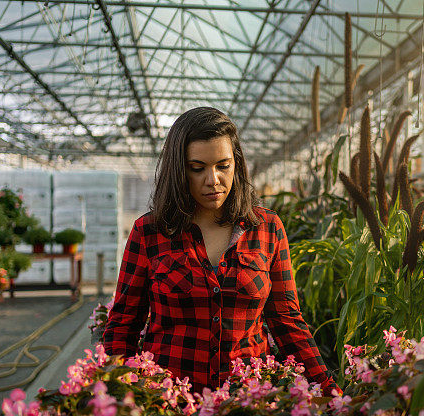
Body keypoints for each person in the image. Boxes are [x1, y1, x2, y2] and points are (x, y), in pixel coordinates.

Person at [102, 107, 338, 394]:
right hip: (169, 402)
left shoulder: (266, 228)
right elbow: (124, 323)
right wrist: (118, 396)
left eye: (223, 166)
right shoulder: (150, 232)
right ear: (179, 169)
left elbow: (286, 321)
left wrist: (328, 390)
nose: (212, 180)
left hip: (249, 401)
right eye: (197, 168)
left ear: (236, 164)